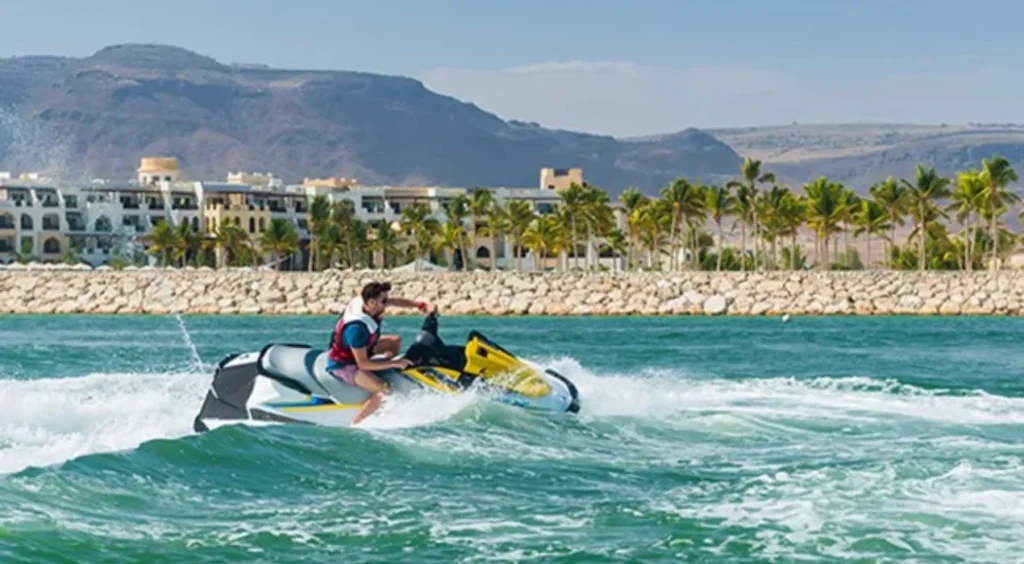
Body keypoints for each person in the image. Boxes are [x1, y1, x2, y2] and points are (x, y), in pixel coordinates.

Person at [326, 281, 432, 425]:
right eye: (383, 301)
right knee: (384, 389)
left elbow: (394, 301)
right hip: (345, 364)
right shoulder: (356, 329)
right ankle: (357, 423)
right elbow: (362, 364)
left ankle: (384, 370)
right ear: (371, 302)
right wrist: (394, 363)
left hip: (364, 348)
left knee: (395, 342)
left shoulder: (369, 305)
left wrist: (419, 305)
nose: (386, 303)